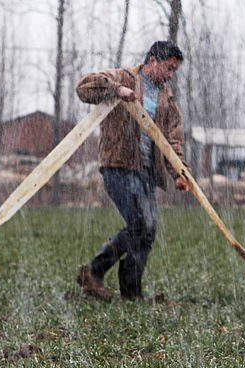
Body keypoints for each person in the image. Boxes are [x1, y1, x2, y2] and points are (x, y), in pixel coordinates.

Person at [74, 40, 189, 301]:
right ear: (153, 61)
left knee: (147, 232)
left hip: (147, 172)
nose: (170, 76)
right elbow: (84, 88)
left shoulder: (166, 99)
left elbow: (173, 140)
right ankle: (93, 271)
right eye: (169, 69)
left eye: (174, 72)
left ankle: (131, 292)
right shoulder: (124, 76)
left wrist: (179, 173)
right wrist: (117, 90)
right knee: (140, 223)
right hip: (119, 166)